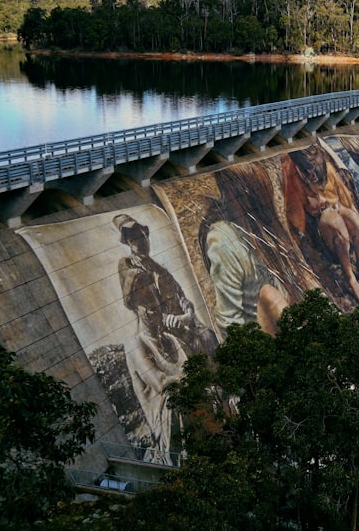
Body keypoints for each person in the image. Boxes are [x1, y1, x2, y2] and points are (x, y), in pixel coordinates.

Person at [114, 213, 217, 463]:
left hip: (177, 327)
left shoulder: (161, 270)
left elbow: (184, 301)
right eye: (135, 238)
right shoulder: (128, 267)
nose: (141, 241)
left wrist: (184, 317)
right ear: (128, 242)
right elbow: (161, 382)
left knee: (207, 336)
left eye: (143, 235)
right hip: (165, 349)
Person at [198, 164, 315, 337]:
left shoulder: (258, 226)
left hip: (285, 319)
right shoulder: (223, 239)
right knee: (270, 296)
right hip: (266, 334)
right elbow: (229, 320)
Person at [282, 142, 359, 304]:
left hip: (335, 210)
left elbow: (346, 201)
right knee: (337, 225)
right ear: (304, 176)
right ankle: (351, 280)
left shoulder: (324, 166)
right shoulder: (293, 181)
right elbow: (297, 223)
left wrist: (340, 209)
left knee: (358, 227)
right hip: (320, 227)